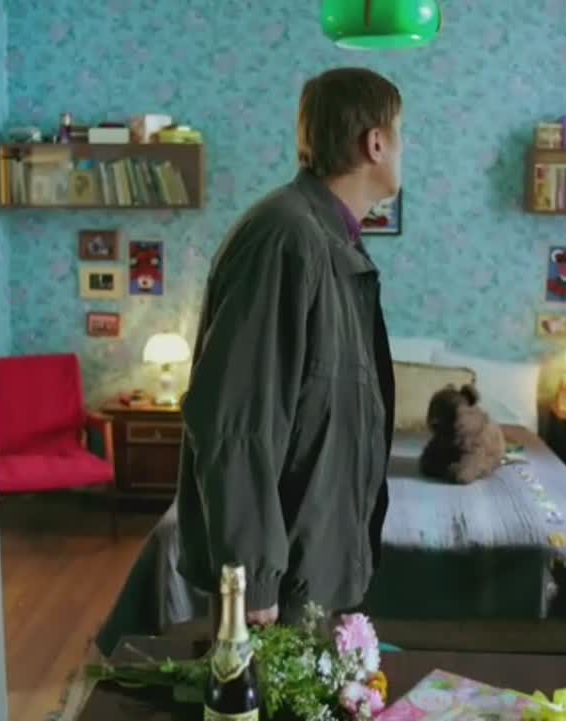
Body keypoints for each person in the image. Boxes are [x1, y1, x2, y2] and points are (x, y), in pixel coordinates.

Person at [176, 67, 402, 629]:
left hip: (313, 561)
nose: (404, 150)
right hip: (275, 585)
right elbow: (235, 418)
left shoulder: (332, 242)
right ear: (376, 142)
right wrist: (253, 575)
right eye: (402, 134)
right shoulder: (287, 237)